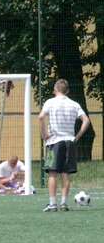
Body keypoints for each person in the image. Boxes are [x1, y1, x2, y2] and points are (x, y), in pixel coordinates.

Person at [39, 79, 91, 212]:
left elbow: (41, 117)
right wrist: (77, 136)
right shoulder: (74, 104)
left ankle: (52, 204)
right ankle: (63, 203)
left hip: (54, 141)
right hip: (69, 141)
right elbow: (86, 120)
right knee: (65, 173)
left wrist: (44, 134)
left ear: (54, 90)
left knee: (52, 172)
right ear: (67, 91)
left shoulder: (50, 102)